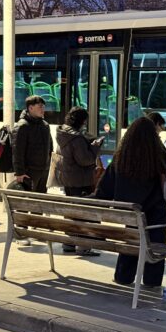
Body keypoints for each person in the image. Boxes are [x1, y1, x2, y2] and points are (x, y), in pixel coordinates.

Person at [94, 117, 166, 287]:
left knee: (132, 237)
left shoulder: (121, 158)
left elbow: (104, 191)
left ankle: (123, 276)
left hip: (130, 214)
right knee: (156, 242)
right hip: (155, 216)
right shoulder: (159, 157)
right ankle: (152, 280)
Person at [56, 107, 103, 253]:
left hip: (69, 178)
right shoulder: (77, 138)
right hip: (81, 180)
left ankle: (69, 243)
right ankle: (84, 246)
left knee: (72, 212)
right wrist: (95, 147)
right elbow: (85, 160)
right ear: (81, 121)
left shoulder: (63, 133)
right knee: (84, 214)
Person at [12, 95, 53, 245]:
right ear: (30, 108)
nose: (43, 109)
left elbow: (50, 146)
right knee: (24, 203)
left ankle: (36, 229)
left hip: (43, 169)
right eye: (39, 106)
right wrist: (19, 172)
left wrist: (49, 165)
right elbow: (17, 151)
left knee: (39, 202)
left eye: (43, 106)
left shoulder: (45, 125)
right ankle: (20, 233)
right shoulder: (22, 126)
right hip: (28, 171)